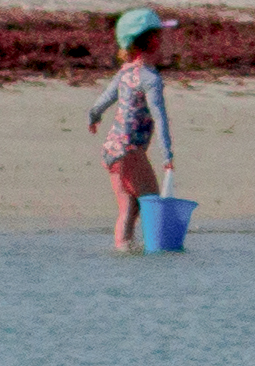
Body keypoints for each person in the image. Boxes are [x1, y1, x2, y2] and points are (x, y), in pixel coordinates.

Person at [87, 8, 177, 251]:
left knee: (129, 206)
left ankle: (123, 249)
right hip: (130, 149)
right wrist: (167, 155)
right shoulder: (151, 78)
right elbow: (160, 118)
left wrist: (93, 117)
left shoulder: (124, 72)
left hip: (111, 149)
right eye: (161, 36)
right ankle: (156, 250)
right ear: (153, 40)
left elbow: (101, 102)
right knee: (152, 201)